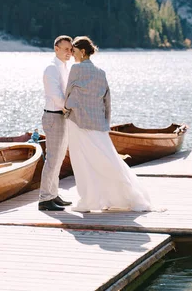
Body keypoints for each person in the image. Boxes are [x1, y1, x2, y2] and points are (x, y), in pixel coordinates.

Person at [63, 36, 151, 213]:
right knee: (108, 158)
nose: (72, 55)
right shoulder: (101, 72)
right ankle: (126, 195)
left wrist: (66, 107)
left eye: (73, 51)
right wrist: (106, 123)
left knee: (83, 162)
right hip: (98, 124)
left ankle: (89, 201)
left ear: (82, 52)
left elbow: (68, 93)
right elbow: (107, 101)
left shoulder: (76, 69)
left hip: (78, 122)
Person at [38, 35, 74, 212]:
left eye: (71, 49)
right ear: (56, 49)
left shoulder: (66, 68)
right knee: (53, 158)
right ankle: (45, 199)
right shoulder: (51, 68)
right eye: (66, 49)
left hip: (63, 116)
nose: (69, 52)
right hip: (54, 116)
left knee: (59, 158)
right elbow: (55, 95)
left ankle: (53, 194)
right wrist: (71, 107)